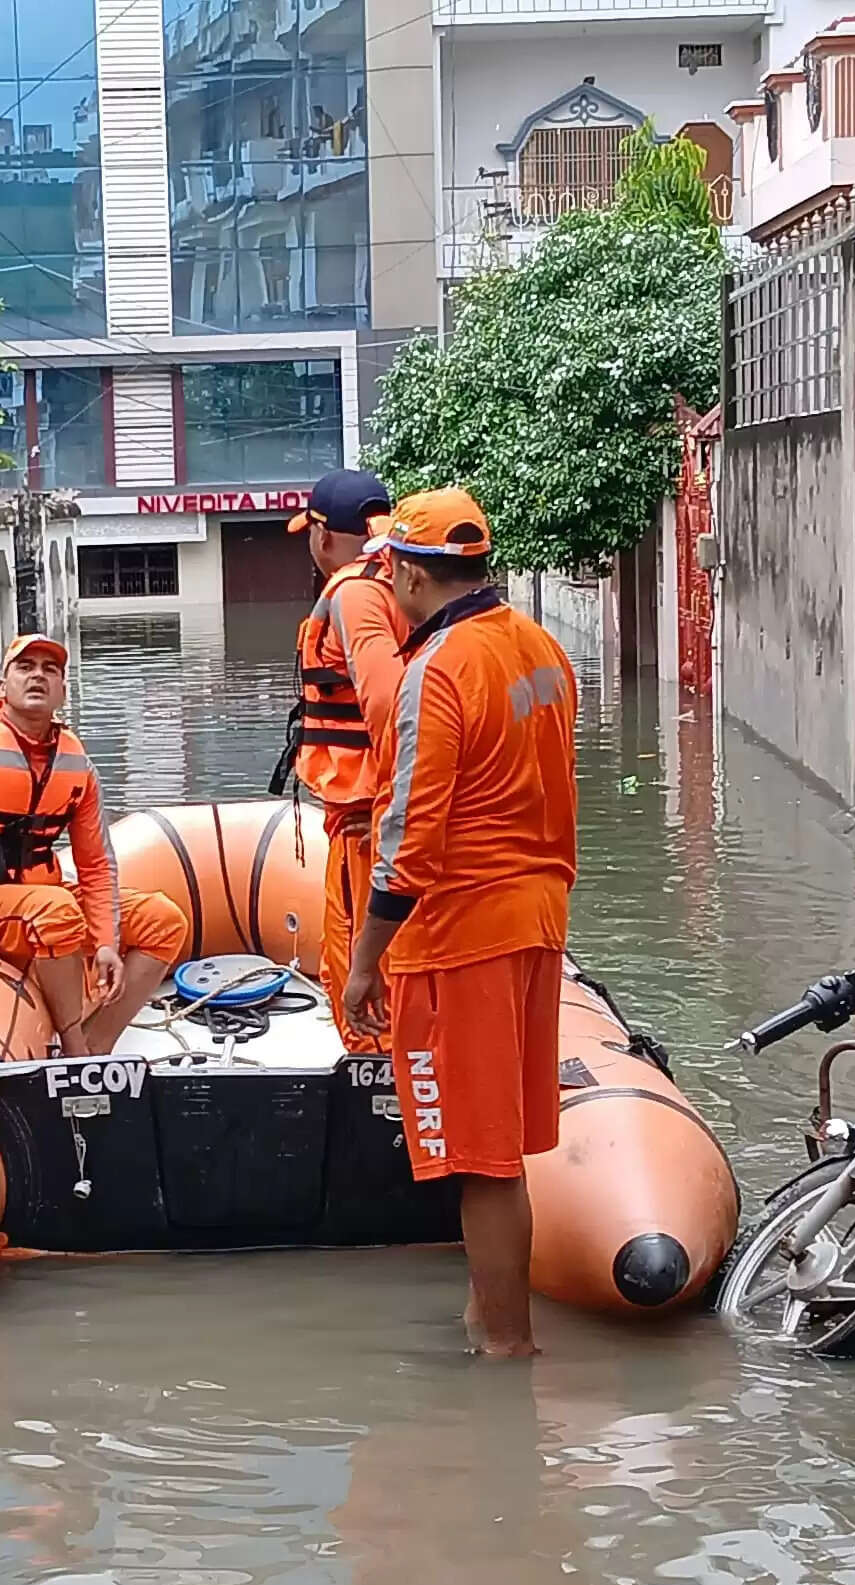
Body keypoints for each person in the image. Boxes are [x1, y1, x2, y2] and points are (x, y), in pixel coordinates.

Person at [339, 490, 579, 1359]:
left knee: (481, 1159)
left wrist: (366, 958)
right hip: (536, 916)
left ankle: (507, 1349)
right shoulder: (540, 647)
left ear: (409, 575)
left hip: (461, 933)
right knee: (501, 1149)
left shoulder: (436, 669)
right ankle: (487, 1320)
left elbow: (410, 830)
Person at [0, 633, 192, 1057]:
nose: (37, 676)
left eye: (50, 670)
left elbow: (96, 863)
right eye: (25, 667)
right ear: (2, 686)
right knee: (55, 908)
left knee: (163, 921)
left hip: (39, 898)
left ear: (62, 691)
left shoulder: (76, 762)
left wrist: (107, 941)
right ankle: (75, 1050)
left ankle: (98, 1045)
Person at [279, 467, 411, 1050]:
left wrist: (388, 806)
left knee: (358, 968)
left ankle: (380, 1082)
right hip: (369, 812)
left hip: (367, 816)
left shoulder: (355, 594)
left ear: (324, 536)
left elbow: (388, 701)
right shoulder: (396, 584)